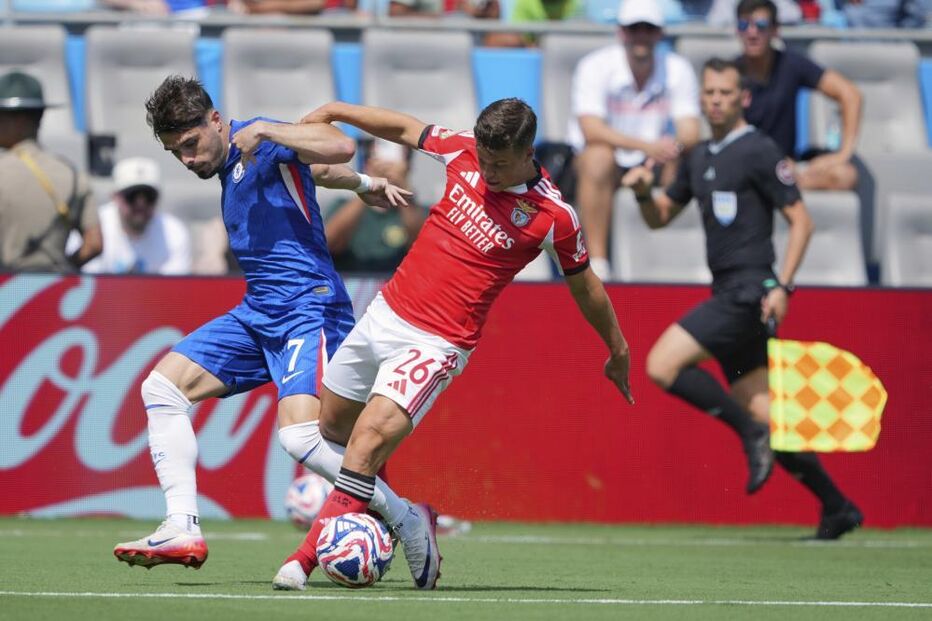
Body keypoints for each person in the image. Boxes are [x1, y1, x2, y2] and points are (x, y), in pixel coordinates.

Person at [271, 97, 635, 592]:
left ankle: (302, 561)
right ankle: (407, 519)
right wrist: (337, 109)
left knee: (368, 440)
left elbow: (585, 284)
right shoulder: (462, 150)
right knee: (329, 433)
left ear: (528, 152)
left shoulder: (554, 215)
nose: (487, 170)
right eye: (484, 160)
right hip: (385, 314)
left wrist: (617, 348)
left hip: (438, 342)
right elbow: (403, 124)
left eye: (500, 164)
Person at [111, 75, 416, 571]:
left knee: (301, 440)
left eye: (191, 144)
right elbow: (316, 170)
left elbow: (337, 145)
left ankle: (402, 516)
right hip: (259, 313)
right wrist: (364, 185)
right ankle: (181, 527)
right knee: (161, 390)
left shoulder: (259, 138)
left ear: (215, 120)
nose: (188, 160)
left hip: (307, 308)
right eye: (176, 153)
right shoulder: (241, 161)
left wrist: (272, 130)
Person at [621, 58, 863, 540]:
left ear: (743, 99)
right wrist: (646, 194)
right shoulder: (698, 154)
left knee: (661, 365)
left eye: (725, 93)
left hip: (751, 291)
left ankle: (751, 437)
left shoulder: (758, 149)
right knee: (763, 414)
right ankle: (837, 507)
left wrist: (782, 287)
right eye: (709, 92)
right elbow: (660, 217)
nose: (715, 100)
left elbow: (802, 221)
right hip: (728, 290)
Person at [569, 0, 700, 281]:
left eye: (648, 28)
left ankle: (673, 272)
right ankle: (598, 265)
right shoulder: (594, 66)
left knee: (685, 158)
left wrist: (670, 149)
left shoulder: (678, 68)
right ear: (621, 32)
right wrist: (650, 147)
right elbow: (591, 130)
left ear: (659, 33)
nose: (641, 34)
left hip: (652, 161)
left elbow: (690, 131)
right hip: (607, 161)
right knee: (598, 158)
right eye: (634, 28)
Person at [734, 0, 862, 191]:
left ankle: (783, 187)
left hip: (788, 167)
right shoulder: (729, 75)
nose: (752, 33)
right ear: (737, 31)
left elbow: (851, 95)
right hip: (742, 163)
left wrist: (843, 154)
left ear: (775, 30)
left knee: (846, 175)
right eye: (744, 25)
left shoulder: (791, 64)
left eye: (761, 26)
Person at [0, 70, 101, 273]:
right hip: (51, 294)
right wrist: (63, 269)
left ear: (18, 120)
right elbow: (94, 243)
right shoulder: (73, 175)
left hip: (5, 295)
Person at [325, 139, 427, 273]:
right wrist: (368, 185)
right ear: (366, 165)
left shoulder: (420, 213)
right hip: (352, 289)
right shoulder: (342, 206)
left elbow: (423, 248)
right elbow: (329, 244)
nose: (387, 167)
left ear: (407, 167)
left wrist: (400, 185)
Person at [80, 157, 192, 275]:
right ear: (115, 197)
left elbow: (174, 288)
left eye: (148, 196)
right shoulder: (93, 227)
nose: (140, 204)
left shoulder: (174, 233)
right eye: (132, 196)